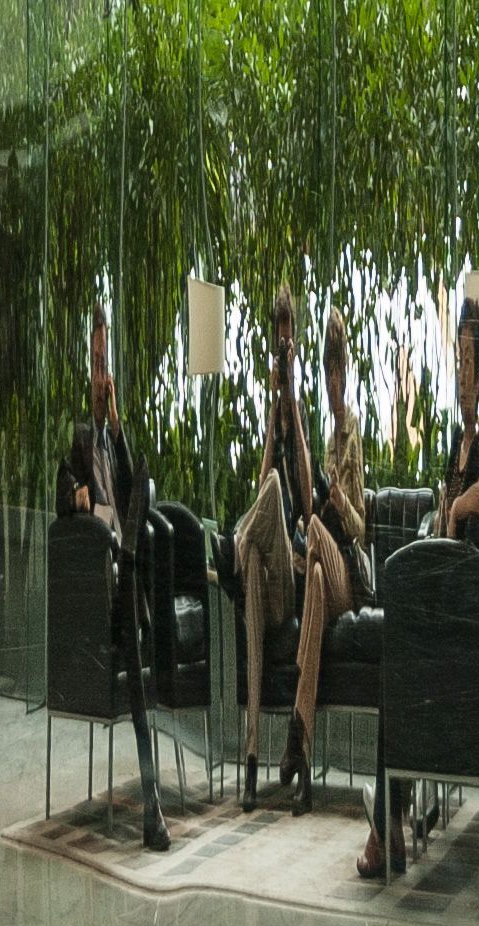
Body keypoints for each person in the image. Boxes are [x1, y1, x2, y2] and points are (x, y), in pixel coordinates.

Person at [357, 297, 479, 878]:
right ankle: (390, 821)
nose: (463, 376)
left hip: (461, 628)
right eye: (458, 362)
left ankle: (387, 825)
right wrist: (445, 515)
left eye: (471, 363)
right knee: (395, 660)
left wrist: (457, 511)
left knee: (396, 667)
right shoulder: (459, 443)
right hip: (439, 608)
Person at [54, 301, 169, 852]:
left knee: (142, 481)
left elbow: (131, 489)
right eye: (96, 364)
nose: (102, 377)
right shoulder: (78, 440)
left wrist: (118, 426)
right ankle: (152, 805)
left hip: (126, 577)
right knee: (127, 568)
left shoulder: (112, 441)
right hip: (104, 587)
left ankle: (155, 803)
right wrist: (77, 499)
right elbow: (62, 495)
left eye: (107, 365)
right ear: (87, 370)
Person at [211, 284, 315, 812]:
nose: (283, 355)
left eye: (288, 346)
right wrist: (272, 416)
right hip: (268, 578)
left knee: (274, 491)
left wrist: (292, 403)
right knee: (252, 560)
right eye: (278, 348)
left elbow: (309, 500)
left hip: (293, 580)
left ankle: (230, 548)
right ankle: (252, 761)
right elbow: (260, 489)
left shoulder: (303, 413)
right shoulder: (272, 417)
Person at [277, 307, 366, 816]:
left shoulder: (353, 434)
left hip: (346, 576)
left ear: (346, 375)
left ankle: (296, 736)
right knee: (310, 575)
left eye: (338, 373)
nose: (333, 384)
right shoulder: (324, 440)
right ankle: (301, 750)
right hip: (322, 576)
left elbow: (359, 528)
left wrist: (339, 502)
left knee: (312, 531)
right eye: (327, 373)